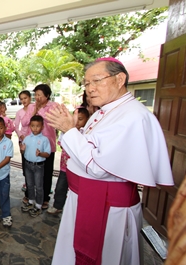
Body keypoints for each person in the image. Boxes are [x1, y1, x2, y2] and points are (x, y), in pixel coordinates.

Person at [46, 57, 173, 265]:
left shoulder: (132, 116)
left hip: (106, 206)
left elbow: (98, 166)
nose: (90, 89)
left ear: (120, 79)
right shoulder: (107, 111)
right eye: (87, 83)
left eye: (96, 81)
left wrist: (69, 131)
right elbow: (86, 149)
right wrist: (71, 131)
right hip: (86, 197)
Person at [47, 107, 89, 214]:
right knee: (61, 186)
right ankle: (58, 206)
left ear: (87, 120)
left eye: (80, 119)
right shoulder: (66, 132)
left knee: (78, 189)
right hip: (65, 167)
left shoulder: (86, 134)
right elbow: (62, 145)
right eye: (74, 119)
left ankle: (78, 209)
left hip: (79, 169)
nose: (77, 122)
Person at [20, 115, 51, 217]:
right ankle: (31, 201)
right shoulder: (27, 138)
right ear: (30, 126)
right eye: (33, 126)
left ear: (42, 127)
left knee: (38, 186)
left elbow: (47, 154)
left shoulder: (44, 140)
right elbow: (22, 151)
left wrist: (40, 154)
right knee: (29, 184)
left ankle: (38, 205)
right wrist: (22, 149)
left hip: (39, 166)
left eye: (38, 126)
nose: (35, 128)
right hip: (28, 165)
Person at [32, 84, 57, 209]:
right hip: (34, 144)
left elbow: (51, 119)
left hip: (48, 145)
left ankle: (45, 197)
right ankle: (35, 196)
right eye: (36, 95)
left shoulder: (53, 106)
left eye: (39, 95)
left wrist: (39, 109)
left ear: (47, 95)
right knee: (35, 172)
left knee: (47, 172)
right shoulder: (34, 107)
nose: (37, 97)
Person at [14, 90, 35, 200]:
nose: (23, 101)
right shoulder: (19, 112)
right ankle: (28, 184)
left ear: (30, 98)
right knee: (26, 163)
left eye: (25, 98)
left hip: (35, 140)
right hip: (24, 140)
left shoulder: (35, 109)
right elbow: (16, 126)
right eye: (21, 99)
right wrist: (21, 136)